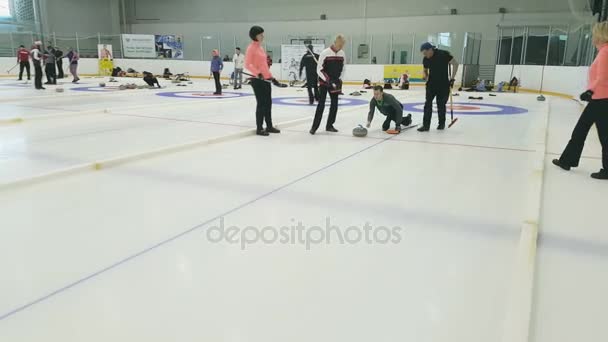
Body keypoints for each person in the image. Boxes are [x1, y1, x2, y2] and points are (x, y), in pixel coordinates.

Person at [552, 22, 608, 180]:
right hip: (599, 100)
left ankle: (605, 169)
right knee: (581, 131)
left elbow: (603, 77)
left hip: (601, 100)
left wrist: (590, 91)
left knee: (601, 135)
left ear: (600, 35)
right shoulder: (604, 51)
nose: (592, 37)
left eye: (594, 34)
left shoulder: (605, 52)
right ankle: (567, 160)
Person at [245, 25, 280, 136]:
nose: (262, 36)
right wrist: (257, 73)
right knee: (261, 104)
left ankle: (269, 126)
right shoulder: (251, 48)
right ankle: (259, 128)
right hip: (257, 80)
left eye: (262, 34)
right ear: (255, 35)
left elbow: (264, 66)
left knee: (268, 103)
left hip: (266, 79)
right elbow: (248, 64)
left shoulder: (260, 48)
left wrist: (271, 77)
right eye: (260, 34)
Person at [418, 42, 459, 132]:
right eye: (423, 54)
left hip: (443, 85)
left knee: (441, 105)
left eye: (425, 53)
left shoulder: (443, 54)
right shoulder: (426, 59)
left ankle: (441, 124)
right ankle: (426, 125)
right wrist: (425, 75)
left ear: (430, 50)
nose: (425, 55)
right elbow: (425, 70)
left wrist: (452, 78)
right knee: (427, 104)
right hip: (431, 84)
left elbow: (455, 64)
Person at [310, 34, 347, 135]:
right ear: (334, 42)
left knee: (334, 104)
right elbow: (319, 70)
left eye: (342, 45)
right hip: (324, 83)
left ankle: (329, 125)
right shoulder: (325, 53)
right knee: (321, 104)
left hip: (335, 83)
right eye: (339, 44)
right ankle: (314, 127)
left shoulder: (342, 54)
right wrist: (328, 80)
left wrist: (340, 80)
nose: (341, 47)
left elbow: (343, 68)